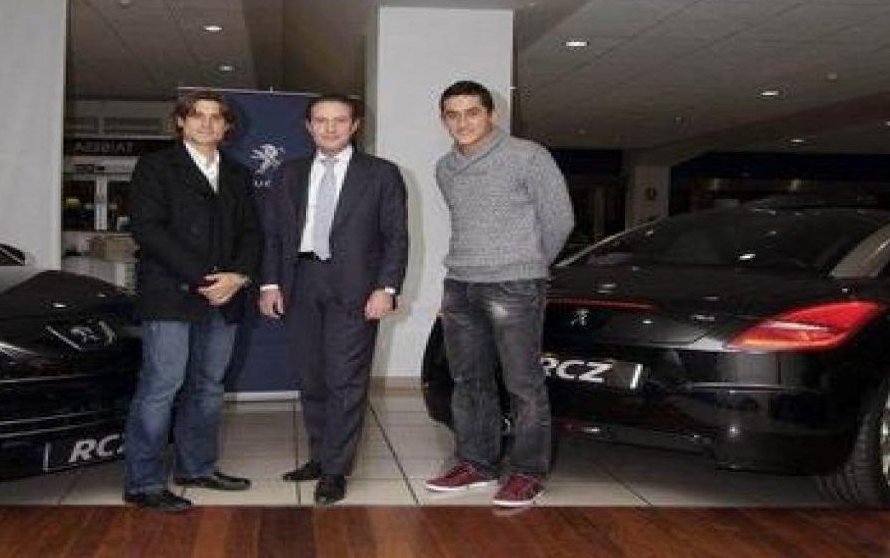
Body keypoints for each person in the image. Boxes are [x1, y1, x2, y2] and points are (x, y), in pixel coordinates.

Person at [424, 80, 574, 508]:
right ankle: (477, 464)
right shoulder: (445, 168)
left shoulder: (528, 156)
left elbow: (560, 220)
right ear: (444, 120)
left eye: (472, 112)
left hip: (515, 284)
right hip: (460, 285)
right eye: (452, 115)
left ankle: (528, 473)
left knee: (522, 384)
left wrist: (529, 265)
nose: (462, 122)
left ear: (491, 114)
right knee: (468, 381)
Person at [259, 93, 408, 505]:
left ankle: (335, 470)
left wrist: (387, 288)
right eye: (321, 120)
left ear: (354, 125)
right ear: (308, 126)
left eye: (339, 120)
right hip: (300, 282)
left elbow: (396, 237)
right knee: (312, 378)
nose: (330, 128)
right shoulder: (288, 173)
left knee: (345, 380)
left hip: (356, 289)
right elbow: (273, 234)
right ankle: (320, 455)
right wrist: (269, 284)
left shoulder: (381, 174)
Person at [124, 90, 263, 512]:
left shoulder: (238, 173)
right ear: (180, 122)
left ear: (227, 126)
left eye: (215, 117)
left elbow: (251, 233)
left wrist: (238, 276)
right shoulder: (155, 167)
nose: (206, 123)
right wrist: (207, 279)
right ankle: (144, 482)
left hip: (225, 295)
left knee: (208, 387)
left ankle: (196, 468)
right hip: (171, 294)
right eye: (196, 115)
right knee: (162, 385)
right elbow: (148, 229)